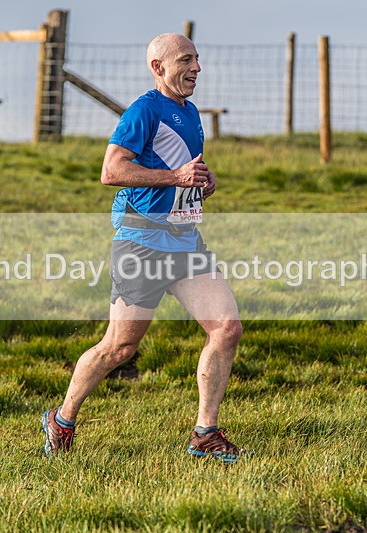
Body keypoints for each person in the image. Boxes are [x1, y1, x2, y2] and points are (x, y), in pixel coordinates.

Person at [42, 33, 246, 463]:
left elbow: (181, 175)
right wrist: (177, 177)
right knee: (119, 347)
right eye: (186, 60)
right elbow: (111, 171)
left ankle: (204, 434)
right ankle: (61, 419)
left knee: (226, 328)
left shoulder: (190, 113)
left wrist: (204, 184)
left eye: (197, 59)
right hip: (141, 243)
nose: (197, 68)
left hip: (185, 241)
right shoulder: (143, 111)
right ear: (159, 68)